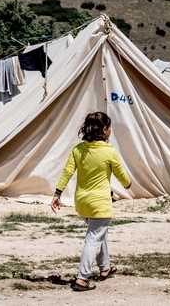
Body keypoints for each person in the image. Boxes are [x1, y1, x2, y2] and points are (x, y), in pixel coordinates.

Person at [50, 111, 131, 292]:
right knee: (94, 238)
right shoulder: (109, 151)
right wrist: (128, 184)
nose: (110, 130)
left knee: (99, 233)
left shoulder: (78, 149)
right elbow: (121, 174)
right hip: (100, 202)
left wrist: (57, 193)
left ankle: (105, 269)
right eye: (109, 127)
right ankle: (82, 277)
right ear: (104, 130)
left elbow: (67, 172)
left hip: (82, 202)